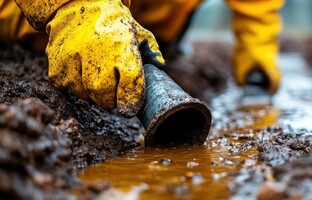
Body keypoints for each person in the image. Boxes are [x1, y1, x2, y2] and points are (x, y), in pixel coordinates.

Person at [0, 0, 284, 117]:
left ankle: (158, 44)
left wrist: (256, 64)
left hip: (153, 18)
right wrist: (74, 7)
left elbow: (256, 7)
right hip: (31, 18)